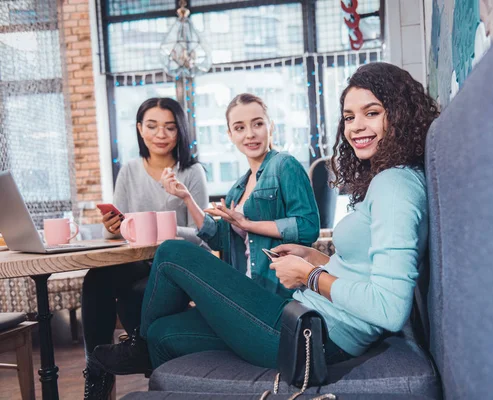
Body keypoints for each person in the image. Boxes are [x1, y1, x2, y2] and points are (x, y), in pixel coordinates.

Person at [92, 63, 438, 378]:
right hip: (304, 314)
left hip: (314, 335)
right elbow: (364, 266)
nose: (356, 126)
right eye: (349, 117)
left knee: (171, 253)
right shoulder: (386, 179)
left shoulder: (395, 185)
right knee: (162, 335)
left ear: (400, 115)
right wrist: (316, 260)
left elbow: (390, 309)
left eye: (372, 113)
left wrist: (311, 276)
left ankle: (136, 347)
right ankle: (145, 348)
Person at [82, 98, 209, 399]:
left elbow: (205, 236)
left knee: (134, 291)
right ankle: (97, 374)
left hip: (173, 267)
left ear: (180, 131)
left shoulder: (192, 172)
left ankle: (147, 362)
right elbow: (118, 231)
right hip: (134, 262)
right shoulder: (128, 170)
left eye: (169, 127)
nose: (160, 134)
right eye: (152, 126)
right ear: (140, 129)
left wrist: (164, 229)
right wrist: (111, 227)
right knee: (95, 278)